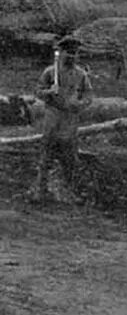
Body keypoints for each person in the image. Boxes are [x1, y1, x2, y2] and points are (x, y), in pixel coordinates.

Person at [29, 36, 93, 203]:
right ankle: (40, 191)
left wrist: (78, 104)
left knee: (70, 159)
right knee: (46, 157)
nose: (71, 57)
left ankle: (70, 192)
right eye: (68, 53)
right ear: (62, 53)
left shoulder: (81, 75)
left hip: (70, 121)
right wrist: (49, 92)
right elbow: (37, 91)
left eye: (75, 53)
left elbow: (88, 96)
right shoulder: (50, 72)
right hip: (52, 119)